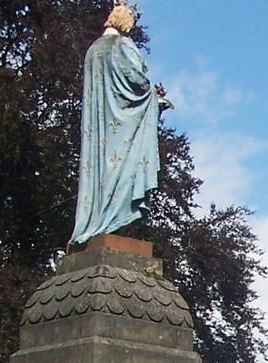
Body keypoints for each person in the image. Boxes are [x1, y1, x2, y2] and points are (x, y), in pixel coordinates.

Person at [70, 0, 171, 245]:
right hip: (121, 127)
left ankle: (96, 221)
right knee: (124, 169)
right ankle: (110, 221)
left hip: (101, 127)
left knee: (102, 173)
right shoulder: (122, 46)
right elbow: (137, 80)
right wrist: (154, 98)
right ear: (125, 21)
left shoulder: (93, 51)